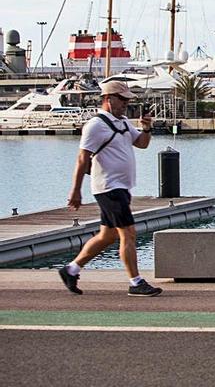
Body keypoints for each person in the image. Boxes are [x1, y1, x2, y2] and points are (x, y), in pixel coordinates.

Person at [59, 81, 161, 297]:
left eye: (127, 100)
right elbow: (82, 158)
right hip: (108, 187)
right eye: (122, 99)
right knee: (129, 233)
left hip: (122, 187)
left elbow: (142, 144)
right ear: (108, 98)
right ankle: (136, 282)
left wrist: (147, 128)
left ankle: (71, 269)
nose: (126, 103)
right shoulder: (96, 125)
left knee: (107, 235)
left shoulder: (122, 122)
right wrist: (76, 190)